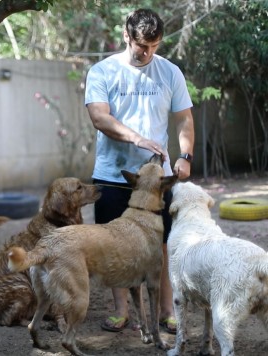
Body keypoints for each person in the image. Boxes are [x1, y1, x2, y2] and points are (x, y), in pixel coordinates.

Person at [84, 8, 194, 335]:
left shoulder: (170, 72)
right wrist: (138, 138)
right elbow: (99, 118)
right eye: (141, 45)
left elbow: (184, 118)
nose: (147, 52)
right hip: (112, 174)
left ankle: (166, 311)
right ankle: (122, 311)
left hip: (156, 180)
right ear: (126, 36)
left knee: (163, 243)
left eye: (154, 45)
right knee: (114, 244)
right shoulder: (102, 71)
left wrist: (185, 155)